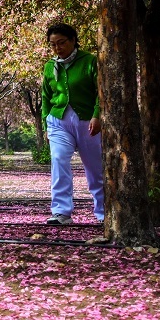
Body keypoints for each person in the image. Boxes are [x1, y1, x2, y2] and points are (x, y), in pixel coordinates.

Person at [41, 23, 105, 226]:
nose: (57, 48)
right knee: (59, 160)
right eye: (52, 45)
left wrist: (98, 115)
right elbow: (46, 96)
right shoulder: (50, 66)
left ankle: (103, 211)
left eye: (61, 43)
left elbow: (100, 92)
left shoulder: (90, 61)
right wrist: (46, 122)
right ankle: (61, 212)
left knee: (95, 168)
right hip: (58, 121)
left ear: (73, 40)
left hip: (87, 121)